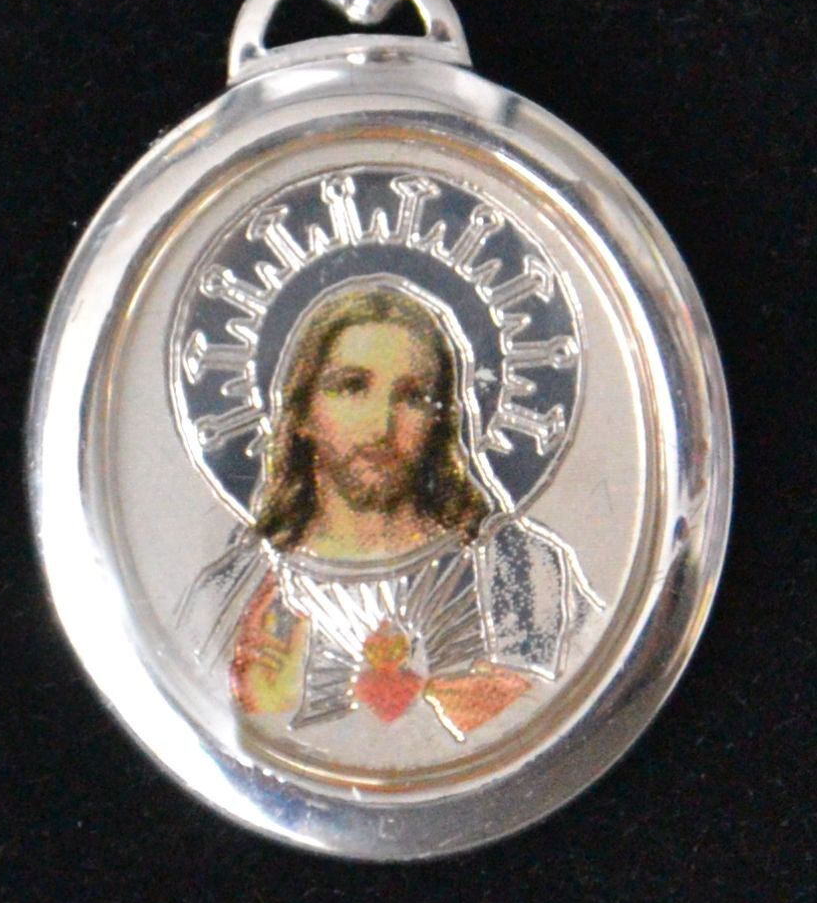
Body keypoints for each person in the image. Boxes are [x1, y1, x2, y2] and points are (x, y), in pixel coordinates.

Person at [180, 283, 598, 740]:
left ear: (441, 420)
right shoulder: (233, 593)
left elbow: (576, 709)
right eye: (352, 387)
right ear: (301, 411)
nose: (382, 425)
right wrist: (262, 712)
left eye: (413, 396)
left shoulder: (522, 569)